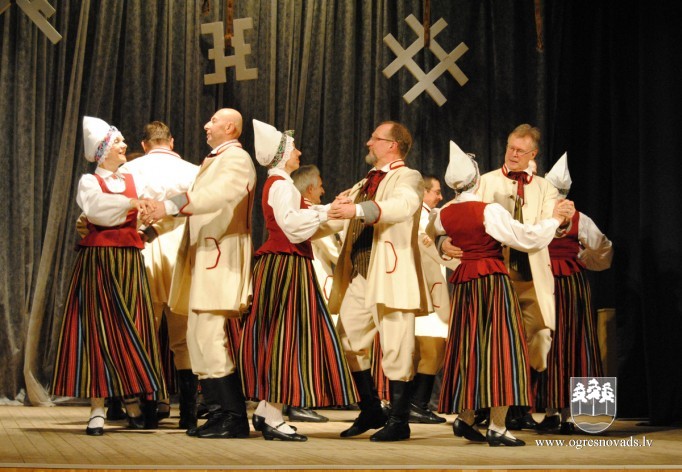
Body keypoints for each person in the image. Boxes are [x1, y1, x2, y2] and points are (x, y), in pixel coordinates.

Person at [430, 141, 572, 446]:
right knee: (503, 350)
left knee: (470, 348)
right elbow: (527, 238)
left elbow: (434, 229)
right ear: (476, 179)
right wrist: (555, 221)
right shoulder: (489, 210)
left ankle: (466, 416)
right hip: (493, 282)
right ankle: (497, 426)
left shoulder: (444, 213)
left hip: (465, 285)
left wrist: (443, 241)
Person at [239, 120, 357, 442]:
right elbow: (291, 225)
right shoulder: (280, 185)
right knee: (286, 336)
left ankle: (267, 410)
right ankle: (273, 415)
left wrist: (329, 209)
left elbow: (300, 218)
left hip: (286, 263)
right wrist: (326, 212)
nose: (299, 153)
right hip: (286, 265)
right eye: (293, 149)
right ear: (281, 155)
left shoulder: (282, 184)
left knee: (284, 335)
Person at [143, 108, 256, 439]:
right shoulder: (214, 161)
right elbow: (196, 205)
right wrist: (157, 219)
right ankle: (219, 414)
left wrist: (168, 205)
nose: (206, 125)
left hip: (220, 257)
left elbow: (216, 196)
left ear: (230, 127)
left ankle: (233, 416)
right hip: (203, 258)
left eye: (214, 121)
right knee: (197, 337)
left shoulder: (236, 159)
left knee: (208, 335)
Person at [52, 117, 168, 435]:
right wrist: (132, 203)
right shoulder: (90, 183)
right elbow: (97, 210)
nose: (124, 145)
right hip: (100, 261)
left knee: (133, 328)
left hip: (129, 261)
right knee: (98, 329)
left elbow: (157, 206)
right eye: (117, 142)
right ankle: (97, 408)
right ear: (103, 151)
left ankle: (131, 398)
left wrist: (149, 222)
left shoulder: (133, 179)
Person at [324, 120, 431, 442]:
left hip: (391, 273)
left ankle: (399, 420)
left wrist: (357, 209)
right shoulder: (365, 181)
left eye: (375, 138)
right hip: (360, 274)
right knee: (348, 341)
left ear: (392, 145)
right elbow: (341, 215)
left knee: (398, 347)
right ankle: (370, 407)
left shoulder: (408, 177)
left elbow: (403, 205)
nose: (369, 143)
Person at [120, 121, 200, 429]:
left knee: (145, 331)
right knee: (184, 336)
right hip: (182, 249)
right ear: (172, 141)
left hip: (145, 246)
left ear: (144, 144)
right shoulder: (193, 171)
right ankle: (189, 415)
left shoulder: (130, 170)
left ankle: (149, 410)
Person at [535, 153, 614, 434]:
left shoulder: (540, 215)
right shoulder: (580, 218)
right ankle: (576, 414)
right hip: (570, 283)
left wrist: (581, 257)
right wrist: (583, 257)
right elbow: (603, 250)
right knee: (576, 343)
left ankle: (554, 411)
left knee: (551, 343)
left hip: (550, 282)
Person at [407, 174, 458, 424]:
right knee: (433, 349)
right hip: (425, 293)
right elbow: (431, 253)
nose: (440, 196)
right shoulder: (421, 219)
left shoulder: (427, 218)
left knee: (422, 351)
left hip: (425, 291)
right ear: (424, 193)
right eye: (436, 192)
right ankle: (417, 405)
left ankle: (412, 405)